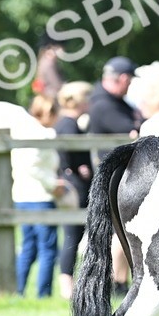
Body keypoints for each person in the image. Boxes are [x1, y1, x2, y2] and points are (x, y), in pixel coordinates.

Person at [87, 56, 141, 294]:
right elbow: (132, 129)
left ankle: (120, 280)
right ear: (123, 78)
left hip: (119, 174)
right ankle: (118, 281)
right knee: (121, 230)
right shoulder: (104, 105)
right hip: (114, 176)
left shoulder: (113, 102)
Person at [14, 95, 66, 299]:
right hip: (40, 197)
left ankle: (18, 290)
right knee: (47, 249)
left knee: (28, 247)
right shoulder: (41, 135)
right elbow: (33, 166)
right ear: (49, 113)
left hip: (21, 197)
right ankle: (43, 293)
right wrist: (53, 185)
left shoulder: (20, 132)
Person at [55, 81, 93, 300]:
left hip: (71, 183)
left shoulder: (64, 123)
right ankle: (67, 286)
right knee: (72, 235)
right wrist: (79, 168)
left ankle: (68, 284)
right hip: (76, 185)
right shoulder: (69, 125)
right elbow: (69, 153)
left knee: (73, 235)